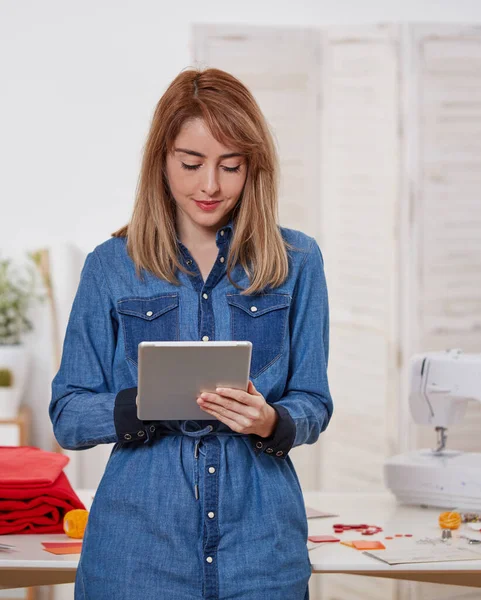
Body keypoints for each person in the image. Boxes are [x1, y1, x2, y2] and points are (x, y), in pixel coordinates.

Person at [49, 67, 333, 600]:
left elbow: (314, 400)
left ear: (254, 168)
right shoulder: (111, 266)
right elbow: (67, 415)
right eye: (191, 163)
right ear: (162, 160)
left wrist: (273, 420)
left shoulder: (298, 262)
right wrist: (144, 403)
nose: (210, 185)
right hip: (136, 553)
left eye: (231, 166)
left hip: (262, 552)